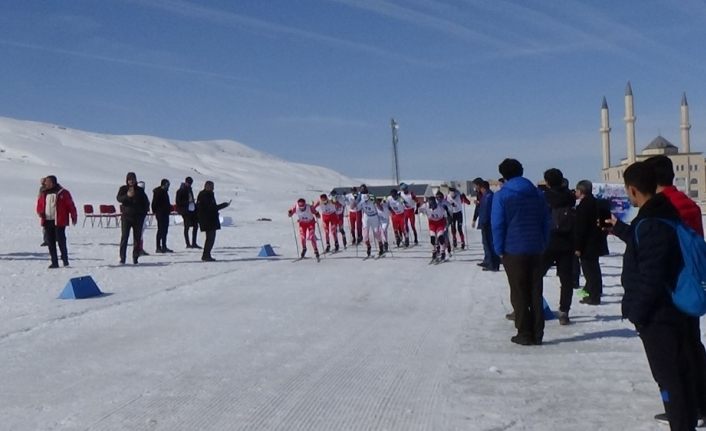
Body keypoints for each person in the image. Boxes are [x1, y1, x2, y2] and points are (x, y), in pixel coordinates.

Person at [608, 161, 699, 430]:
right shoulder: (664, 214)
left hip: (661, 316)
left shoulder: (651, 222)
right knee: (679, 374)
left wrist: (637, 312)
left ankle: (681, 423)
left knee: (669, 378)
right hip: (674, 309)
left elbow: (651, 275)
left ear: (633, 190)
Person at [644, 155, 706, 426]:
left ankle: (685, 409)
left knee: (675, 358)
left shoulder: (662, 208)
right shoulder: (689, 203)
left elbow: (657, 251)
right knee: (693, 345)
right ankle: (701, 404)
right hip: (692, 287)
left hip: (671, 290)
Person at [491, 158, 550, 346]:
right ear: (522, 171)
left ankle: (524, 332)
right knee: (535, 290)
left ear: (503, 175)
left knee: (519, 291)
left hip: (513, 249)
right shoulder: (537, 194)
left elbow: (498, 224)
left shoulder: (502, 196)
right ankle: (538, 333)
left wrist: (499, 249)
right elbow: (546, 222)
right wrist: (543, 243)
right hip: (536, 248)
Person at [541, 168, 577, 325]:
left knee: (536, 276)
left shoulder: (544, 197)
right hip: (567, 242)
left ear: (547, 182)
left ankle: (535, 307)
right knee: (566, 280)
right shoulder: (570, 196)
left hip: (548, 241)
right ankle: (564, 311)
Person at [574, 180, 609, 305]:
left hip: (587, 244)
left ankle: (593, 296)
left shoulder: (583, 207)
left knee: (589, 271)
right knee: (595, 269)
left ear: (581, 191)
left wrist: (578, 246)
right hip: (597, 242)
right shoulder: (598, 203)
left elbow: (580, 228)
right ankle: (595, 292)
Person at [36, 175, 77, 268]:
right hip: (47, 220)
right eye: (45, 182)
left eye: (47, 182)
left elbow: (70, 205)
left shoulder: (63, 192)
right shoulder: (44, 193)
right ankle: (54, 262)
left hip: (59, 221)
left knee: (61, 241)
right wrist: (40, 212)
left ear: (52, 182)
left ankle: (65, 260)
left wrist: (74, 216)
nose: (45, 183)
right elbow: (39, 204)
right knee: (50, 242)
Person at [117, 172, 150, 265]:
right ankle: (122, 258)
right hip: (126, 217)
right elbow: (119, 198)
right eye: (129, 179)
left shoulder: (140, 190)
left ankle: (135, 257)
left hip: (137, 218)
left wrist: (142, 215)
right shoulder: (123, 189)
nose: (131, 181)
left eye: (133, 179)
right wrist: (127, 196)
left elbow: (146, 204)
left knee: (137, 238)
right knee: (124, 237)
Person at [196, 181, 230, 262]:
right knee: (210, 238)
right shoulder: (204, 195)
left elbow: (212, 207)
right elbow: (210, 208)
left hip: (210, 219)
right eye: (211, 187)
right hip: (207, 220)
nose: (213, 188)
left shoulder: (208, 194)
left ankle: (207, 254)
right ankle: (206, 255)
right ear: (207, 186)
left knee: (211, 238)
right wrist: (222, 206)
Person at [418, 191, 452, 262]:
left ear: (435, 204)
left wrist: (448, 221)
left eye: (432, 206)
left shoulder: (440, 207)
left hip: (440, 223)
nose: (431, 207)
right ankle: (434, 251)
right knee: (432, 238)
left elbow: (447, 214)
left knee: (440, 237)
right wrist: (417, 207)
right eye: (430, 205)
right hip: (432, 223)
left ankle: (443, 252)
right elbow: (419, 209)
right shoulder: (426, 205)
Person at [477, 180, 500, 272]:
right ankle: (491, 262)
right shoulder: (487, 196)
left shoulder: (488, 196)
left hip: (487, 223)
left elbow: (486, 212)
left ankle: (492, 264)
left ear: (483, 188)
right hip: (488, 222)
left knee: (488, 244)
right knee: (488, 243)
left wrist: (483, 223)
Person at [175, 176, 200, 249]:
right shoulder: (181, 190)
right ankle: (188, 243)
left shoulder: (189, 189)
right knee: (187, 227)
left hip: (192, 209)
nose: (189, 184)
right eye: (188, 183)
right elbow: (178, 201)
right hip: (185, 210)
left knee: (195, 225)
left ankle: (194, 243)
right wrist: (187, 202)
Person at [151, 179, 173, 253]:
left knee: (165, 230)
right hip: (160, 213)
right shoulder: (158, 192)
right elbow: (154, 203)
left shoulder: (165, 192)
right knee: (160, 230)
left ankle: (164, 246)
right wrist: (156, 211)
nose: (168, 186)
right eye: (167, 185)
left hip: (166, 213)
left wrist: (169, 208)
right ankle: (158, 247)